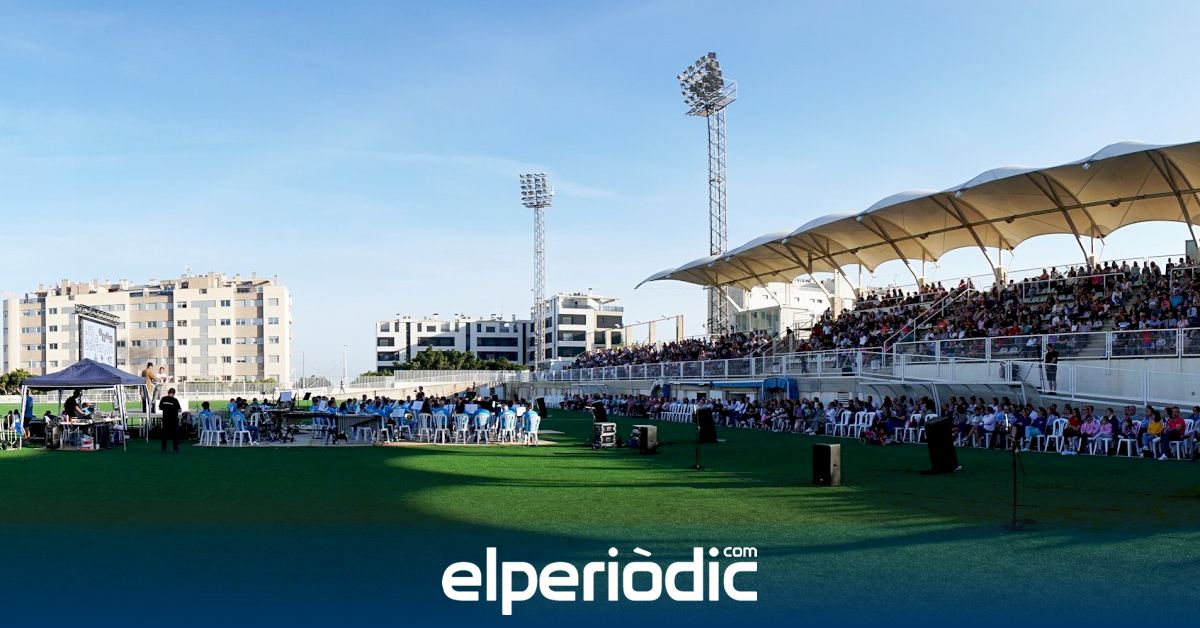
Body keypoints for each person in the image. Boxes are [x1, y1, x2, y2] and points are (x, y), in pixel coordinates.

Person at [159, 387, 182, 453]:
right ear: (174, 393)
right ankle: (175, 448)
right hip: (173, 419)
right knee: (175, 435)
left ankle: (163, 448)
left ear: (168, 392)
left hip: (165, 419)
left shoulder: (163, 399)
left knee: (164, 434)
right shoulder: (175, 400)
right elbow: (179, 410)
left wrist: (166, 408)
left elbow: (160, 407)